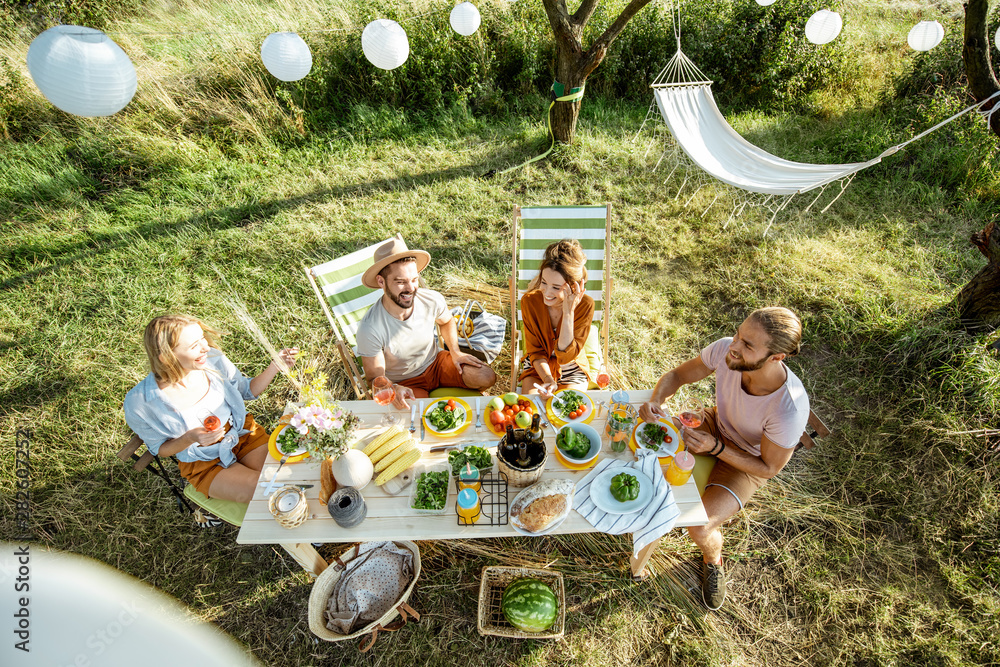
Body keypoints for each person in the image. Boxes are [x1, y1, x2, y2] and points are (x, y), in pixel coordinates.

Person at [639, 307, 810, 611]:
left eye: (748, 345)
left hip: (747, 461)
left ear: (776, 357)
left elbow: (768, 468)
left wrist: (717, 449)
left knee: (699, 527)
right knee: (644, 441)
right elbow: (678, 375)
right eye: (738, 335)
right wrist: (655, 400)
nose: (734, 347)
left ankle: (712, 558)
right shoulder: (725, 350)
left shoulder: (789, 408)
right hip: (714, 424)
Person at [124, 315, 297, 504]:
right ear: (167, 358)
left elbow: (247, 390)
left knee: (289, 476)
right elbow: (160, 449)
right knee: (265, 491)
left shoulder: (212, 359)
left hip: (242, 436)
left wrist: (275, 366)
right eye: (194, 346)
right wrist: (190, 437)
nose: (206, 347)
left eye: (202, 339)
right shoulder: (140, 403)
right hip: (203, 462)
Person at [356, 236, 496, 409]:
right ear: (381, 281)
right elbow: (375, 380)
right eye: (400, 282)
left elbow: (446, 322)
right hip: (405, 382)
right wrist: (395, 387)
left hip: (436, 363)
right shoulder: (370, 328)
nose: (410, 289)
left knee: (487, 376)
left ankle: (458, 389)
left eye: (414, 280)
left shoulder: (431, 299)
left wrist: (455, 352)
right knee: (418, 415)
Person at [518, 239, 596, 397]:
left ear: (573, 287)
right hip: (538, 366)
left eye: (555, 287)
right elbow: (536, 351)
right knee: (533, 407)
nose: (546, 292)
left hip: (572, 364)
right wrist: (547, 378)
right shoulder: (530, 301)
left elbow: (566, 356)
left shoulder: (586, 305)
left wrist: (568, 312)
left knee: (568, 409)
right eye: (544, 282)